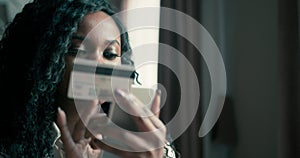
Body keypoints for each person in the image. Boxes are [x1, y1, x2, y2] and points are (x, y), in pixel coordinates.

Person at [0, 0, 178, 157]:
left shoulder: (139, 142)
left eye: (109, 54)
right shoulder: (10, 142)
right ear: (41, 59)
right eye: (78, 51)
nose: (97, 65)